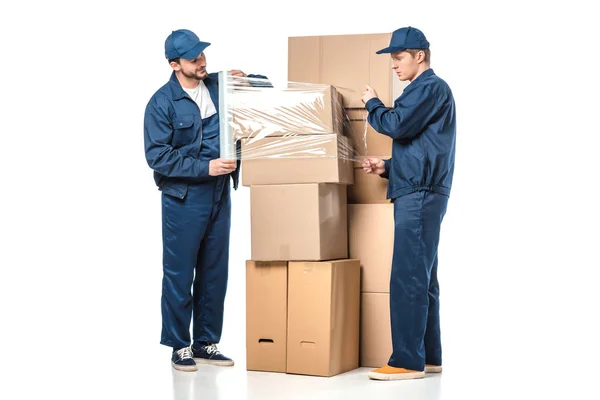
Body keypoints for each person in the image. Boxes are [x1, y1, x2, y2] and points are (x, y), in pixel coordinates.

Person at [143, 29, 268, 372]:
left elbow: (266, 88)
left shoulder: (217, 85)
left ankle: (206, 342)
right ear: (174, 64)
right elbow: (158, 157)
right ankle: (179, 345)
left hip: (218, 194)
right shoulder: (161, 103)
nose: (202, 62)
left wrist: (245, 80)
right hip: (183, 197)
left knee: (214, 272)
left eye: (203, 55)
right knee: (180, 274)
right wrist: (206, 166)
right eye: (193, 59)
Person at [360, 26, 456, 381]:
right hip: (421, 189)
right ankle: (429, 356)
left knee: (407, 277)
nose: (393, 65)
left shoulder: (428, 87)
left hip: (420, 194)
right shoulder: (427, 92)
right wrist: (386, 166)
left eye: (398, 57)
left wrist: (371, 103)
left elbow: (397, 125)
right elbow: (421, 147)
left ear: (420, 56)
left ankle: (406, 360)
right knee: (424, 277)